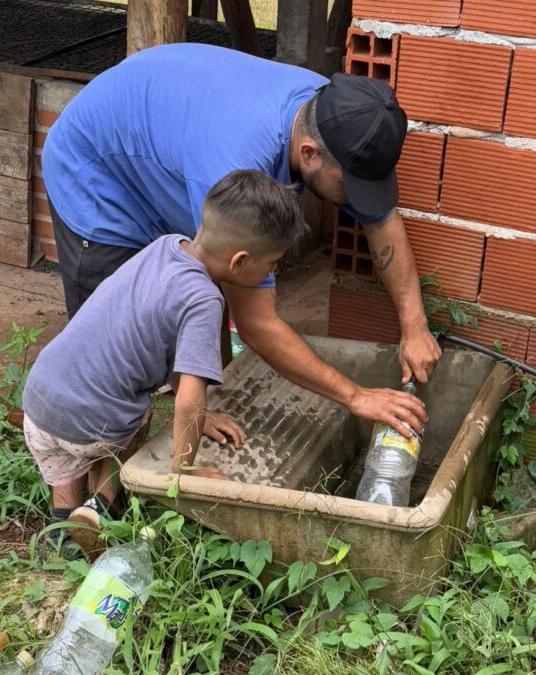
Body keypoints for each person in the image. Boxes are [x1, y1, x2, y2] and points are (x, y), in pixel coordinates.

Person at [42, 42, 439, 440]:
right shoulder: (235, 161)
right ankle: (88, 467)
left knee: (198, 295)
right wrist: (356, 397)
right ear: (308, 153)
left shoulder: (335, 116)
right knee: (118, 351)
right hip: (97, 168)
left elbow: (381, 221)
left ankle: (194, 412)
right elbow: (256, 323)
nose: (357, 199)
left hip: (170, 135)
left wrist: (415, 326)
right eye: (351, 187)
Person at [22, 170, 308, 558]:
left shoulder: (165, 246)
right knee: (137, 417)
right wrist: (184, 472)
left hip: (39, 400)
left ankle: (62, 523)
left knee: (68, 444)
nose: (271, 272)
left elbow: (154, 330)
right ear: (240, 261)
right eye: (271, 263)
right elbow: (189, 398)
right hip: (92, 425)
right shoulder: (204, 299)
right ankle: (101, 506)